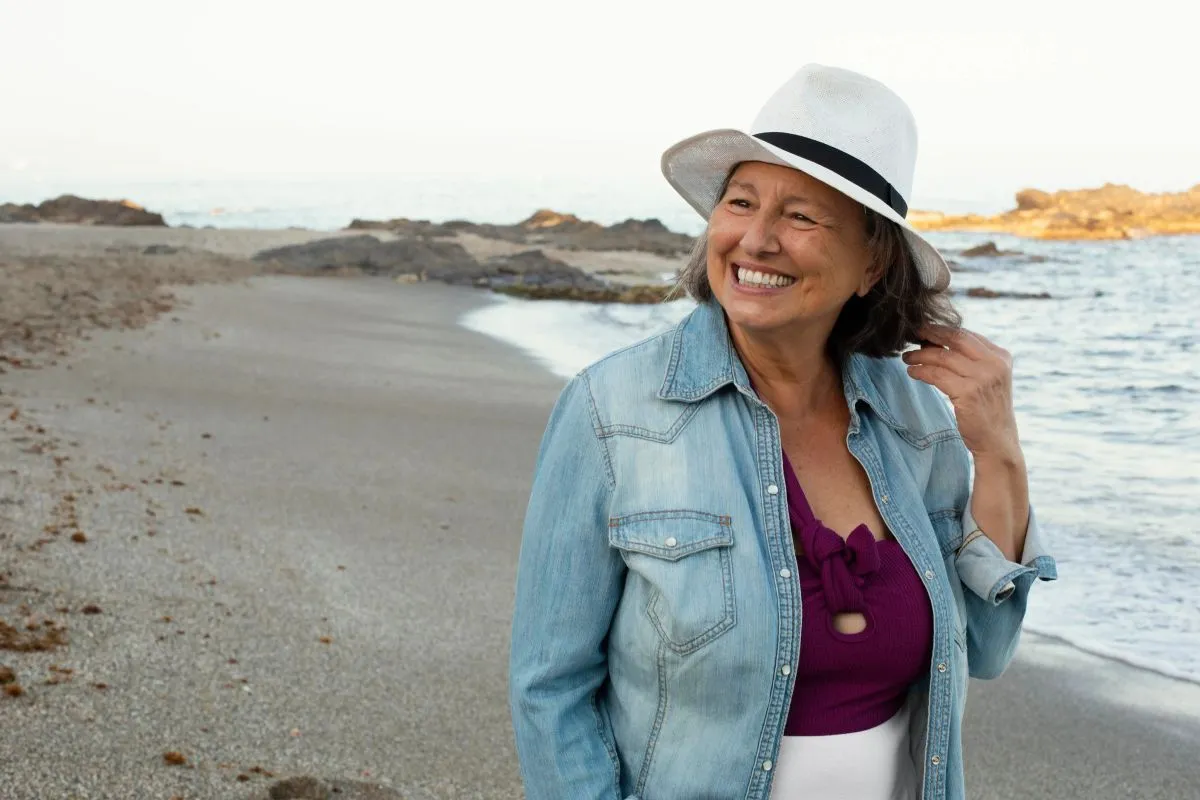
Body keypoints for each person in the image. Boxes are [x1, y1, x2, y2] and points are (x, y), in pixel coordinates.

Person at [508, 63, 1057, 800]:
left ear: (871, 262)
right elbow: (550, 688)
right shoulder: (613, 412)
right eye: (740, 202)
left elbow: (987, 648)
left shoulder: (916, 421)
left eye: (800, 216)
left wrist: (998, 449)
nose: (756, 240)